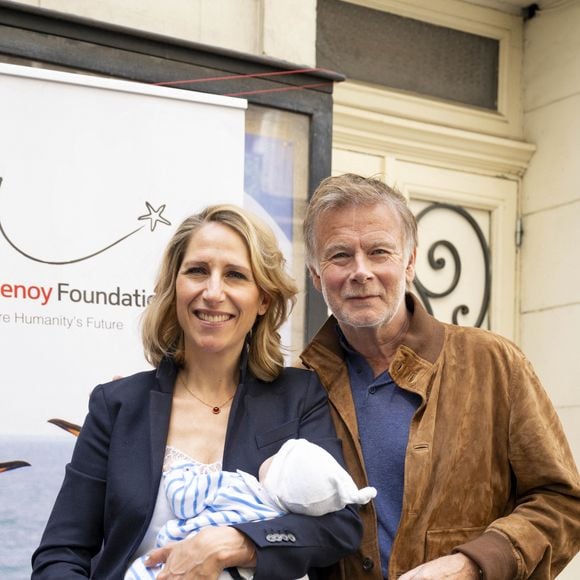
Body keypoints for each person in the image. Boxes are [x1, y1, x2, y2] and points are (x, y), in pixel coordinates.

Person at [32, 204, 363, 579]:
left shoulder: (299, 396)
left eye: (236, 275)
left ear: (264, 300)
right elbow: (60, 553)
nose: (213, 292)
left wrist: (237, 544)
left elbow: (340, 527)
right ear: (175, 286)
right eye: (197, 271)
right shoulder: (117, 406)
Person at [299, 173, 580, 580]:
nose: (361, 271)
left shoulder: (492, 363)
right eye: (339, 255)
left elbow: (563, 502)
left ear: (410, 262)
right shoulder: (299, 387)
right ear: (314, 274)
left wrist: (472, 564)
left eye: (379, 252)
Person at [126, 438, 377, 579]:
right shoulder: (281, 519)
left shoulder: (237, 485)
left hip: (168, 562)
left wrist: (178, 472)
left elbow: (183, 500)